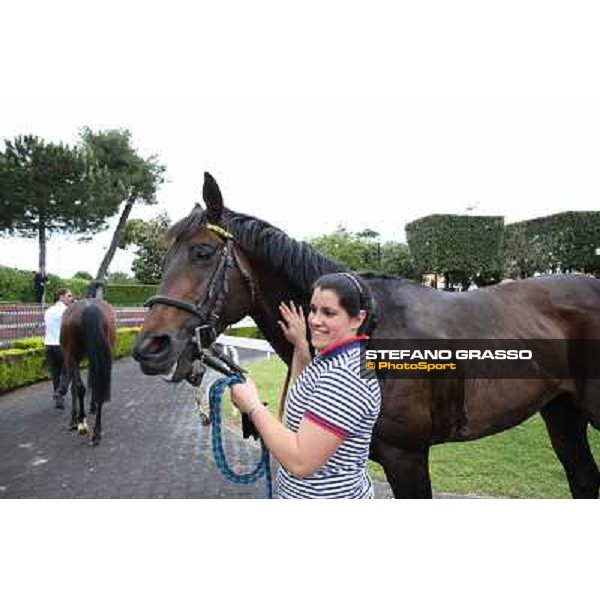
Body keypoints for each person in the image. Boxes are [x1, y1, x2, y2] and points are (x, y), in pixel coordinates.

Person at [230, 272, 381, 499]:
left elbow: (300, 461)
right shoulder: (337, 357)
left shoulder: (344, 377)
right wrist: (301, 344)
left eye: (329, 313)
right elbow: (308, 392)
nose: (314, 320)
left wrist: (252, 406)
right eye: (313, 309)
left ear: (357, 319)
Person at [44, 288, 73, 409]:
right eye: (69, 296)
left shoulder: (48, 310)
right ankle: (60, 392)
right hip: (61, 345)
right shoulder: (66, 311)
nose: (71, 298)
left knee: (55, 373)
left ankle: (58, 399)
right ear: (61, 297)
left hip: (48, 345)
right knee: (69, 370)